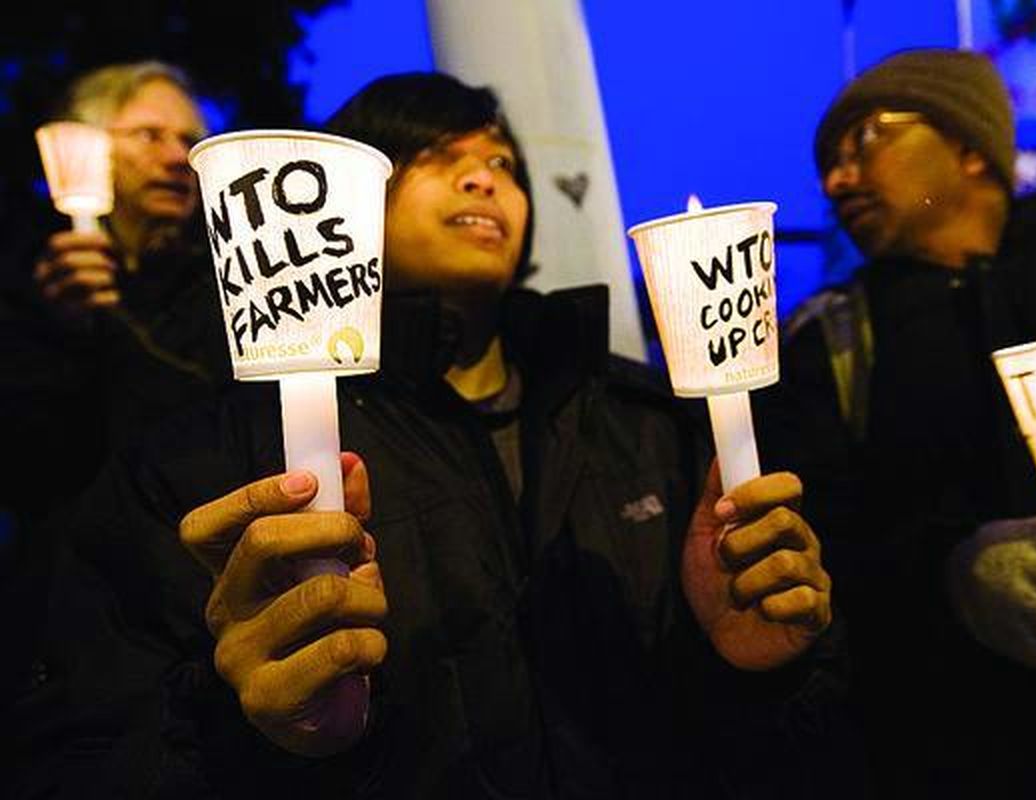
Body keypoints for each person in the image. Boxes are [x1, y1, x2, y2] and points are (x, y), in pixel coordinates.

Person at [24, 73, 862, 798]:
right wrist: (255, 730)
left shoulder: (643, 421)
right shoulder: (209, 458)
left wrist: (759, 673)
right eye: (431, 156)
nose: (479, 180)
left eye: (501, 163)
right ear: (337, 207)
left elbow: (769, 753)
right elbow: (92, 747)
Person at [756, 48, 1036, 799]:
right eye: (828, 163)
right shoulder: (831, 343)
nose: (836, 181)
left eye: (865, 141)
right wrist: (952, 581)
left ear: (969, 149)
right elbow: (826, 556)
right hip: (971, 753)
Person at [2, 62, 230, 794]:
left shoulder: (224, 294)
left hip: (200, 643)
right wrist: (63, 335)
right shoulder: (27, 284)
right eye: (149, 135)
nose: (175, 156)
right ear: (88, 150)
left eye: (190, 140)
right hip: (58, 654)